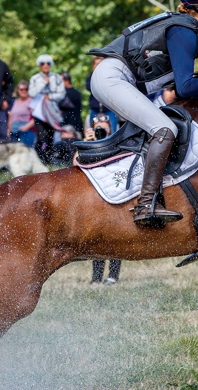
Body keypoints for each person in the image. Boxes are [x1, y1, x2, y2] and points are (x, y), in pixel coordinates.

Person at [89, 0, 198, 227]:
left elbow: (183, 83)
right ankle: (146, 205)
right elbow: (186, 87)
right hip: (113, 77)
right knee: (165, 128)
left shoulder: (185, 29)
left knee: (159, 126)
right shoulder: (185, 30)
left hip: (114, 78)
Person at [84, 116, 122, 284]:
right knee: (97, 239)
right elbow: (75, 165)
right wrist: (87, 143)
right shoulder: (87, 144)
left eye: (104, 129)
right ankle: (96, 278)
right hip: (95, 197)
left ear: (110, 130)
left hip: (114, 194)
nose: (101, 132)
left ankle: (113, 276)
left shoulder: (117, 144)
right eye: (98, 129)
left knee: (115, 237)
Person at [28, 54, 66, 164]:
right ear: (39, 65)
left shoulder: (57, 78)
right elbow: (31, 93)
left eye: (48, 63)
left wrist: (50, 97)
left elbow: (62, 93)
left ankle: (48, 160)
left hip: (52, 111)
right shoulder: (35, 78)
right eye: (42, 63)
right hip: (39, 111)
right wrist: (44, 82)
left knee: (50, 136)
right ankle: (38, 159)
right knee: (41, 137)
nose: (45, 65)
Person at [85, 56, 118, 133]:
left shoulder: (110, 77)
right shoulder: (90, 78)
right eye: (96, 64)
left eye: (100, 64)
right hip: (95, 110)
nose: (97, 66)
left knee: (112, 130)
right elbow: (90, 88)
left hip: (109, 109)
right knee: (93, 131)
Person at [9, 80, 36, 148]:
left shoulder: (31, 101)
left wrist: (26, 127)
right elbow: (10, 116)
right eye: (21, 89)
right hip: (14, 131)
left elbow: (36, 117)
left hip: (26, 131)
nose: (24, 91)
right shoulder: (14, 101)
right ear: (18, 90)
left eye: (26, 89)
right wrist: (9, 129)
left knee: (25, 152)